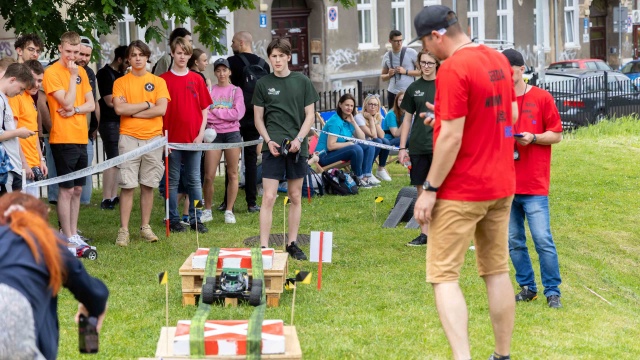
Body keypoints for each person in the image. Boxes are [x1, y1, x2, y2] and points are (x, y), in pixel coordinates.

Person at [411, 6, 517, 360]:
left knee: (444, 275)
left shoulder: (453, 67)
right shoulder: (498, 59)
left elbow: (452, 139)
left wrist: (429, 189)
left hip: (461, 188)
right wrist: (440, 122)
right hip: (500, 184)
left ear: (437, 36)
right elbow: (506, 117)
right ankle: (502, 356)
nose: (428, 53)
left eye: (427, 44)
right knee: (496, 270)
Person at [0, 192, 109, 360]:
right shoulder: (48, 240)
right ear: (42, 217)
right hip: (15, 320)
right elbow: (92, 292)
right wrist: (93, 307)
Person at [502, 49, 564, 309]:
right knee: (514, 241)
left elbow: (557, 134)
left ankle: (553, 291)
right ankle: (528, 287)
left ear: (520, 69)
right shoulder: (499, 102)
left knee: (542, 240)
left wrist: (534, 137)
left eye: (508, 69)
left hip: (534, 184)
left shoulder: (541, 98)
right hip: (505, 184)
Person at [253, 38, 319, 260]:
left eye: (281, 55)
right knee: (269, 197)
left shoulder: (302, 81)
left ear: (288, 57)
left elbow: (310, 115)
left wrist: (300, 139)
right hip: (272, 146)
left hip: (297, 146)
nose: (277, 60)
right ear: (269, 58)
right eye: (273, 56)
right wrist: (268, 140)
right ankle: (264, 247)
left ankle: (292, 243)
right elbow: (258, 119)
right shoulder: (263, 84)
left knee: (295, 195)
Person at [113, 40, 170, 246]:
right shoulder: (121, 82)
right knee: (127, 184)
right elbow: (119, 110)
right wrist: (147, 104)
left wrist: (133, 110)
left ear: (147, 57)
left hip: (153, 137)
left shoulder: (158, 81)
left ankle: (145, 226)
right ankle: (124, 230)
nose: (137, 58)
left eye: (141, 54)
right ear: (128, 58)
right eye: (134, 54)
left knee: (148, 184)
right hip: (128, 137)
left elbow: (161, 109)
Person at [42, 31, 95, 244]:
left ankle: (73, 232)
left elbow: (91, 104)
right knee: (66, 189)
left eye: (76, 52)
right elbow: (65, 101)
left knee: (78, 189)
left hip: (81, 135)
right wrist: (73, 79)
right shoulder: (52, 72)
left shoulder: (82, 71)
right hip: (63, 137)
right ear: (60, 49)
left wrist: (75, 110)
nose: (72, 56)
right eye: (68, 51)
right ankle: (67, 234)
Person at [161, 37, 211, 233]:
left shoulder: (197, 79)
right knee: (172, 181)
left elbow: (204, 109)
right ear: (172, 53)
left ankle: (196, 218)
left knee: (194, 180)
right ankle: (172, 218)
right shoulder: (163, 80)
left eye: (186, 53)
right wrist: (164, 139)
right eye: (179, 52)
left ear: (190, 56)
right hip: (171, 140)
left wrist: (200, 135)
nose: (182, 56)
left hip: (194, 139)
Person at [218, 31, 271, 214]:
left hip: (234, 117)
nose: (231, 45)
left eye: (233, 42)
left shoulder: (231, 63)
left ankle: (226, 202)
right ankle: (251, 202)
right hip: (255, 116)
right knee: (250, 159)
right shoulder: (264, 64)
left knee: (230, 161)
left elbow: (226, 90)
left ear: (241, 43)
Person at [398, 51, 438, 247]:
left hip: (440, 146)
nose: (426, 66)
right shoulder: (413, 88)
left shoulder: (446, 86)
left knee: (442, 190)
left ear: (437, 64)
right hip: (418, 146)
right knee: (421, 190)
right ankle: (425, 234)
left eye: (430, 63)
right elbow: (407, 119)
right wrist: (402, 147)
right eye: (423, 63)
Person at [202, 58, 245, 224]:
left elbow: (237, 113)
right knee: (209, 175)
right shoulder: (210, 90)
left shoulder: (236, 91)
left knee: (232, 173)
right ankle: (207, 209)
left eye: (224, 70)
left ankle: (229, 210)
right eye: (218, 71)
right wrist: (224, 111)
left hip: (232, 133)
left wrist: (217, 111)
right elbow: (206, 113)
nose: (221, 74)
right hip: (213, 134)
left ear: (229, 72)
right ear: (215, 73)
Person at [315, 93, 375, 188]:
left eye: (351, 106)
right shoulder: (335, 121)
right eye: (347, 105)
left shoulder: (348, 120)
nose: (349, 108)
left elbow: (363, 139)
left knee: (369, 145)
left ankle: (366, 178)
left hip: (336, 152)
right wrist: (349, 144)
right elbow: (331, 146)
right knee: (355, 148)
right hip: (324, 156)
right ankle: (357, 179)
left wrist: (353, 122)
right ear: (340, 105)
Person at [8, 60, 47, 197]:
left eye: (40, 80)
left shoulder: (30, 98)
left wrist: (40, 160)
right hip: (20, 165)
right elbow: (13, 132)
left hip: (33, 163)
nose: (37, 84)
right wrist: (24, 163)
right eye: (33, 79)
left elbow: (34, 132)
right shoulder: (16, 97)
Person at [96, 45, 127, 210]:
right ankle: (106, 198)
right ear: (120, 59)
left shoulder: (122, 75)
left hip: (120, 120)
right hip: (109, 121)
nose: (128, 66)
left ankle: (113, 195)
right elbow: (109, 101)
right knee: (113, 159)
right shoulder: (104, 73)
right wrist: (124, 101)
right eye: (127, 62)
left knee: (118, 159)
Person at [0, 62, 36, 194]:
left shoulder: (5, 100)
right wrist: (19, 132)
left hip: (12, 167)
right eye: (21, 88)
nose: (21, 94)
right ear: (12, 79)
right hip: (5, 169)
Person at [77, 36, 100, 205]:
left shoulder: (90, 73)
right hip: (68, 132)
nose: (84, 59)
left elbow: (95, 101)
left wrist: (95, 126)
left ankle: (84, 202)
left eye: (87, 55)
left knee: (86, 169)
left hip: (87, 133)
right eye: (81, 54)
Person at [355, 94, 391, 183]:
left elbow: (382, 135)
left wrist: (375, 121)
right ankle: (368, 171)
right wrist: (371, 119)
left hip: (370, 145)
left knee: (385, 141)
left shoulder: (378, 116)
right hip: (360, 145)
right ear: (365, 105)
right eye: (370, 104)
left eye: (375, 105)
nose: (372, 107)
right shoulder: (359, 117)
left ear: (378, 107)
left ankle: (380, 169)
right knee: (377, 141)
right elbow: (373, 135)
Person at [380, 30, 418, 108]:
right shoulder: (387, 56)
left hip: (408, 92)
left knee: (408, 117)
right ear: (390, 41)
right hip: (392, 93)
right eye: (396, 41)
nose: (399, 43)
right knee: (392, 117)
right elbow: (383, 77)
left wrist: (405, 71)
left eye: (401, 40)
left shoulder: (411, 52)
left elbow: (421, 72)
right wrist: (389, 75)